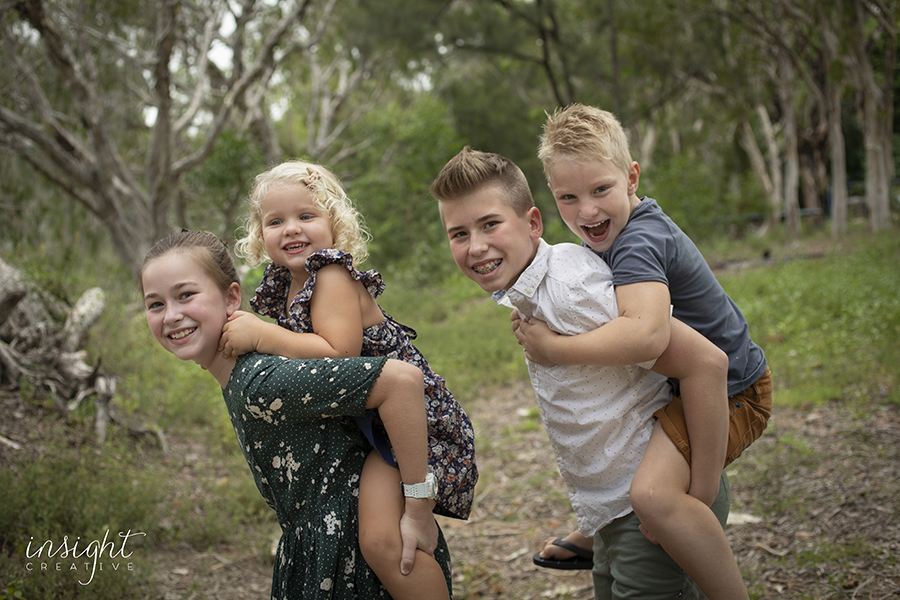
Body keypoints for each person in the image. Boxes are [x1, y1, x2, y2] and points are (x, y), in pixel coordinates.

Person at [431, 146, 752, 600]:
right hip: (613, 511)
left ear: (533, 223)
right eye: (458, 233)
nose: (476, 246)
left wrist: (700, 493)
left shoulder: (572, 289)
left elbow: (705, 361)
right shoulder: (535, 293)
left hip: (654, 507)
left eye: (489, 224)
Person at [139, 230, 452, 599]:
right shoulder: (241, 379)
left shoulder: (261, 380)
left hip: (364, 556)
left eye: (185, 295)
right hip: (318, 548)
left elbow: (400, 380)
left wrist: (418, 501)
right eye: (155, 304)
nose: (171, 315)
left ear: (231, 297)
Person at [218, 161, 477, 600]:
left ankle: (418, 508)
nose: (291, 229)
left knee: (381, 541)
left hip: (410, 422)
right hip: (377, 424)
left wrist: (261, 334)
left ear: (333, 222)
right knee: (376, 538)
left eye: (306, 216)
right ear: (260, 235)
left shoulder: (330, 275)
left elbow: (338, 352)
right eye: (275, 221)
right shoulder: (288, 284)